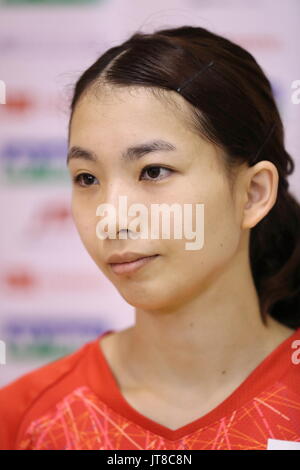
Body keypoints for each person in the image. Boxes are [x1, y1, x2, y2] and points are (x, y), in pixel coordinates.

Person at [0, 25, 300, 451]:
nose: (112, 218)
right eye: (87, 178)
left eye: (153, 171)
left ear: (252, 194)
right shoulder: (24, 419)